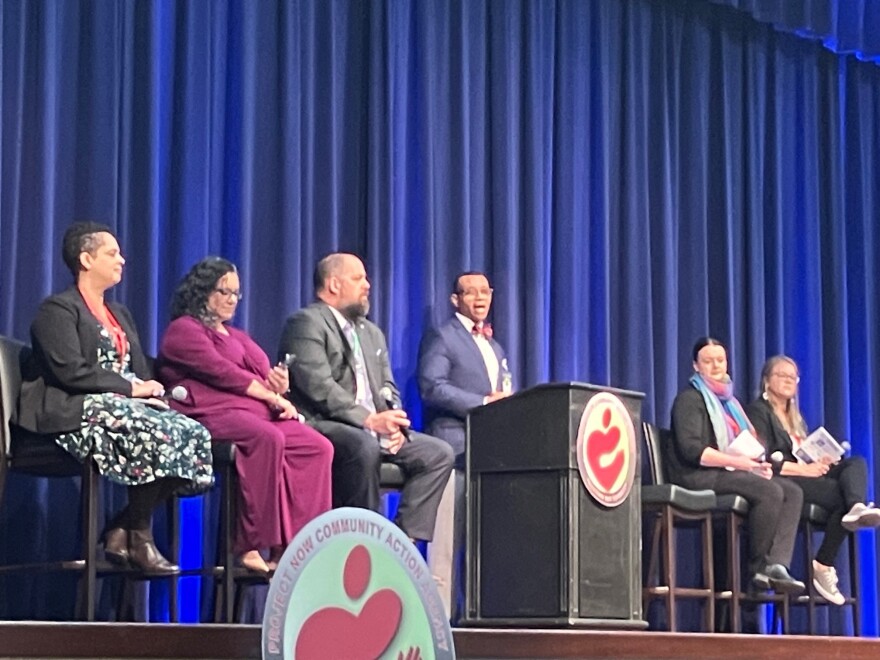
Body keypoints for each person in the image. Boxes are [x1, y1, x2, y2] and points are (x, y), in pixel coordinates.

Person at [16, 222, 213, 575]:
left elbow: (139, 369)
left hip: (119, 405)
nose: (121, 260)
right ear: (86, 259)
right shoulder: (57, 310)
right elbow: (69, 372)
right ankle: (140, 537)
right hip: (73, 406)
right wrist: (130, 390)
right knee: (149, 428)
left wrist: (153, 389)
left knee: (191, 431)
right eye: (112, 253)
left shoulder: (119, 315)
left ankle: (124, 527)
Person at [158, 257, 333, 574]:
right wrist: (268, 395)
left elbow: (263, 375)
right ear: (202, 291)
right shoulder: (183, 330)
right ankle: (251, 543)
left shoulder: (237, 336)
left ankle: (299, 547)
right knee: (266, 437)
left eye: (236, 293)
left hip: (254, 412)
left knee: (316, 446)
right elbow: (222, 372)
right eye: (224, 291)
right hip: (208, 413)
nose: (231, 300)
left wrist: (277, 385)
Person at [278, 253, 454, 543]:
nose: (367, 285)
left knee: (437, 454)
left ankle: (399, 543)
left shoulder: (371, 332)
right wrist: (370, 420)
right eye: (358, 278)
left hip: (374, 427)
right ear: (333, 284)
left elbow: (388, 387)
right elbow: (317, 386)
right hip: (326, 424)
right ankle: (359, 541)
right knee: (363, 446)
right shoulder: (307, 323)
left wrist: (394, 424)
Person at [668, 337, 804, 595]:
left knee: (793, 492)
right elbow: (691, 450)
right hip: (697, 475)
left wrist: (754, 466)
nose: (716, 366)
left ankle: (777, 564)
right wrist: (738, 462)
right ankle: (758, 569)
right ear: (696, 366)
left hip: (726, 471)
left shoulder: (730, 403)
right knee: (770, 491)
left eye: (720, 360)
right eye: (708, 361)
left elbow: (744, 444)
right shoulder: (690, 399)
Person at [747, 355, 880, 605]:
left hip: (807, 474)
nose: (788, 381)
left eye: (793, 377)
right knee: (841, 496)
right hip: (783, 480)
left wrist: (820, 462)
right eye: (782, 375)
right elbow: (762, 460)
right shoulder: (758, 412)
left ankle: (855, 508)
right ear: (767, 381)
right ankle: (823, 564)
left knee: (855, 463)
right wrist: (806, 471)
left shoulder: (796, 418)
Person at [417, 271, 513, 618]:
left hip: (487, 460)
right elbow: (432, 387)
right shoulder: (443, 337)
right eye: (470, 292)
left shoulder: (495, 345)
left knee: (481, 552)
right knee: (443, 551)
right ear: (455, 299)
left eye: (485, 291)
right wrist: (485, 403)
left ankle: (476, 628)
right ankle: (438, 631)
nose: (479, 297)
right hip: (452, 454)